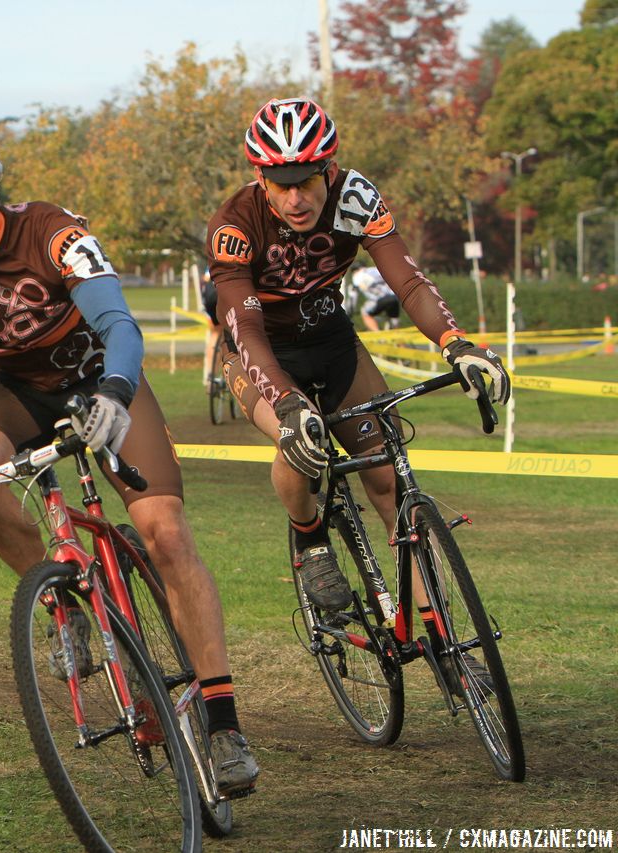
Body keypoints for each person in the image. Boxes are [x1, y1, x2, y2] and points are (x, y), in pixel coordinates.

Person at [0, 125, 260, 796]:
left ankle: (225, 722)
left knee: (166, 534)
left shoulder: (53, 234)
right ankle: (65, 602)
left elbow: (118, 325)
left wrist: (116, 391)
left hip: (100, 379)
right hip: (20, 393)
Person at [206, 98, 510, 686]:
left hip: (334, 344)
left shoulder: (355, 198)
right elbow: (243, 329)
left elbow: (407, 280)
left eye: (307, 182)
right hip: (261, 352)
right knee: (300, 442)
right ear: (260, 179)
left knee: (389, 482)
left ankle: (442, 636)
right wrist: (289, 403)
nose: (296, 198)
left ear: (329, 170)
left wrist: (457, 342)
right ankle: (310, 537)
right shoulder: (235, 226)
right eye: (280, 183)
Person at [349, 264, 400, 332]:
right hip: (394, 297)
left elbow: (353, 296)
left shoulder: (356, 276)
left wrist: (351, 310)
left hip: (379, 299)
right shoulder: (374, 269)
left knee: (365, 312)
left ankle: (378, 334)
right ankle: (400, 340)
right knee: (393, 319)